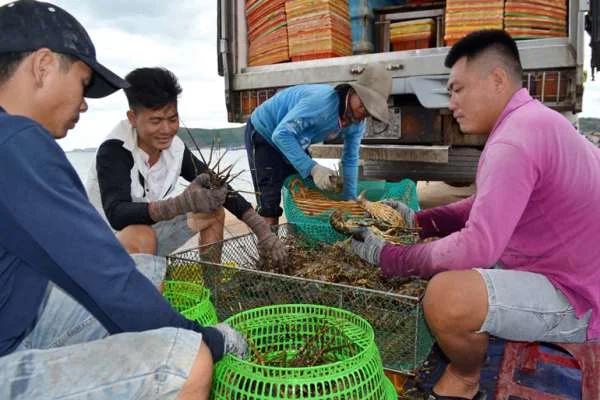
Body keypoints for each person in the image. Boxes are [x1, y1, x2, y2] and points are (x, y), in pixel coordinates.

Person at [0, 2, 247, 399]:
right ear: (43, 66)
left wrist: (255, 223)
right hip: (17, 338)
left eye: (172, 118)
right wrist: (205, 340)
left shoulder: (11, 141)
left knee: (143, 279)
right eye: (83, 83)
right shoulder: (20, 144)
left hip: (19, 312)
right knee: (187, 362)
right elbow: (107, 270)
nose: (84, 104)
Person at [350, 30, 600, 399]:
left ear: (497, 80)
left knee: (447, 296)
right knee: (444, 254)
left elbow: (479, 247)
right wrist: (417, 222)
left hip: (577, 298)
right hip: (571, 270)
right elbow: (485, 207)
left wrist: (391, 256)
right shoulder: (532, 123)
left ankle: (465, 377)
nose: (451, 102)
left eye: (458, 89)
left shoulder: (513, 141)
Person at [86, 67, 286, 264]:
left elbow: (219, 187)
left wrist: (261, 229)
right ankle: (145, 296)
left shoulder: (175, 149)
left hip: (148, 236)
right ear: (133, 119)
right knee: (141, 234)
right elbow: (117, 214)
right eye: (155, 121)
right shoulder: (115, 150)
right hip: (104, 248)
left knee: (213, 211)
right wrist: (182, 203)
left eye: (172, 119)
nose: (166, 129)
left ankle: (212, 289)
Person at [245, 64, 392, 225]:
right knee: (269, 203)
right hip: (264, 131)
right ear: (353, 91)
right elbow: (281, 134)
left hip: (293, 138)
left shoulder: (357, 123)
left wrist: (349, 199)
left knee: (306, 192)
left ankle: (299, 237)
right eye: (363, 103)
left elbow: (350, 158)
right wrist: (313, 168)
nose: (364, 111)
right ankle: (268, 249)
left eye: (369, 110)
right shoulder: (322, 103)